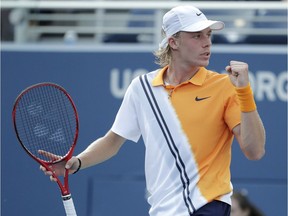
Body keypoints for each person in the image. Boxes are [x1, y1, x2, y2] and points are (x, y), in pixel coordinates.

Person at [41, 5, 266, 216]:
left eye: (208, 35)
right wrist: (77, 162)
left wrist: (244, 92)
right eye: (197, 36)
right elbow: (112, 141)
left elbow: (254, 151)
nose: (207, 42)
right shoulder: (142, 88)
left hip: (207, 206)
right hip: (162, 209)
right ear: (173, 42)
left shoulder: (224, 86)